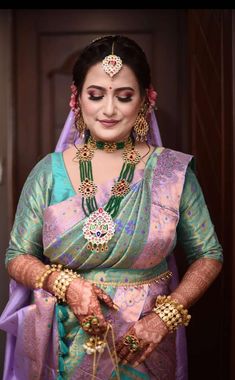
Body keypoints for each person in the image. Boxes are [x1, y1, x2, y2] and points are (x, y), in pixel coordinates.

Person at [0, 35, 223, 380]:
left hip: (146, 344)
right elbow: (17, 255)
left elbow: (208, 254)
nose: (108, 110)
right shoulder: (48, 172)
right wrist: (64, 284)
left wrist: (164, 318)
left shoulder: (171, 173)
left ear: (146, 100)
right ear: (76, 98)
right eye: (95, 95)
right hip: (64, 342)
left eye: (124, 96)